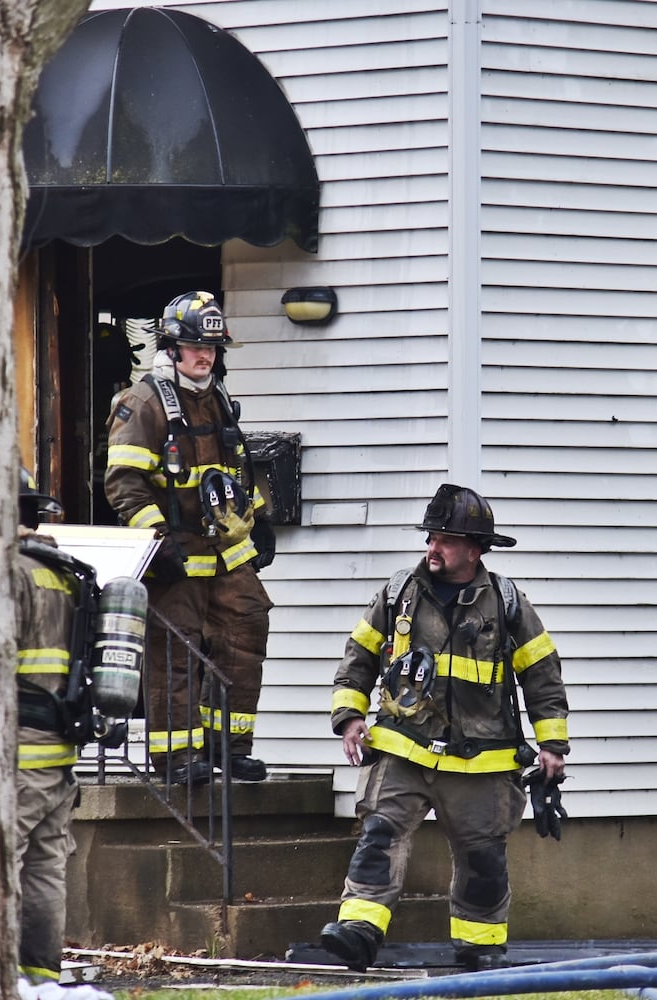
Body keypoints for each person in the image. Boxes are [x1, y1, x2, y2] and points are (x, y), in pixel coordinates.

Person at [320, 483, 570, 973]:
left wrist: (552, 745)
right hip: (402, 750)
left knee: (483, 862)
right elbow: (359, 658)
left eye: (445, 540)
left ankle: (480, 949)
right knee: (379, 838)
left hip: (481, 761)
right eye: (431, 537)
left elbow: (542, 673)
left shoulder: (506, 603)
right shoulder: (398, 595)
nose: (433, 547)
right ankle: (359, 933)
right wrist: (350, 717)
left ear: (475, 549)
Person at [104, 291, 274, 785]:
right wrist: (158, 540)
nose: (207, 356)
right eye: (197, 346)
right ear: (172, 347)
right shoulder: (143, 403)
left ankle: (229, 746)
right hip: (175, 555)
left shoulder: (215, 397)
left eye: (213, 348)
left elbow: (238, 467)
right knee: (176, 652)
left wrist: (258, 517)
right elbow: (124, 483)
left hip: (225, 551)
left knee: (247, 629)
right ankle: (176, 757)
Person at [11, 473, 81, 989]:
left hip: (14, 749)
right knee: (44, 867)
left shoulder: (9, 573)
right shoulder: (66, 572)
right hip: (59, 752)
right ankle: (40, 978)